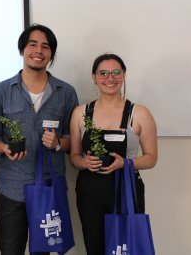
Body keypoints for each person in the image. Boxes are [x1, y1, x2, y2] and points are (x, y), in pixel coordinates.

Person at [0, 24, 79, 255]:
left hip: (49, 185)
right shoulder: (2, 91)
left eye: (45, 46)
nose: (39, 50)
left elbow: (72, 140)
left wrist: (57, 143)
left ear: (51, 55)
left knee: (45, 251)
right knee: (10, 250)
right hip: (12, 188)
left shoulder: (66, 92)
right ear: (22, 50)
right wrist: (4, 148)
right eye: (32, 44)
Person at [69, 53, 158, 255]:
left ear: (124, 75)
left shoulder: (140, 113)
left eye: (116, 72)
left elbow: (151, 158)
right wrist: (85, 163)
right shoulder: (81, 113)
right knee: (95, 246)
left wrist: (124, 164)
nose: (110, 78)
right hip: (90, 191)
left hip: (127, 190)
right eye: (103, 73)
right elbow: (74, 156)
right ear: (94, 77)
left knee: (126, 247)